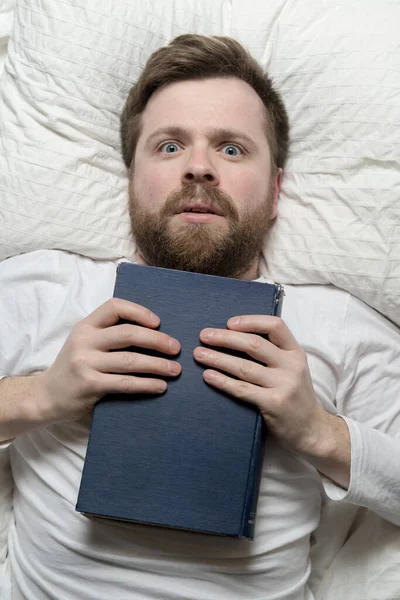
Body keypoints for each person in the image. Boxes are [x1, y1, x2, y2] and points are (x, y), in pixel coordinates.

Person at [0, 34, 399, 600]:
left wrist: (319, 432)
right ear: (132, 177)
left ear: (277, 188)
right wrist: (39, 397)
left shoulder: (342, 325)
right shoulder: (41, 288)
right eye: (168, 147)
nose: (198, 169)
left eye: (231, 149)